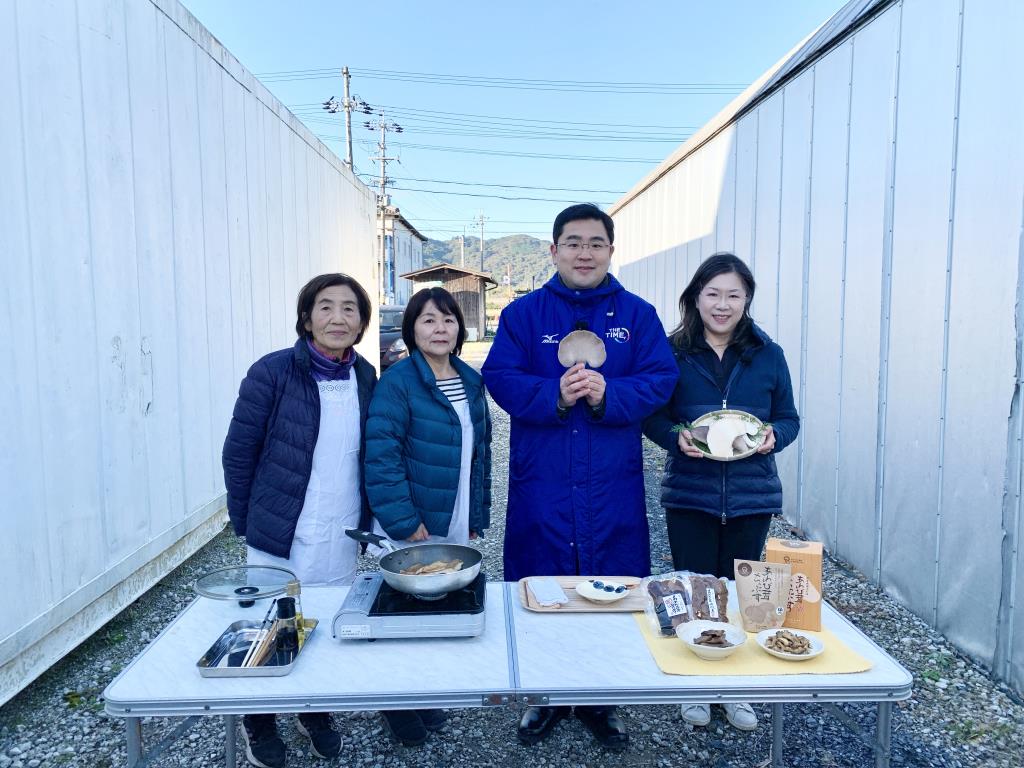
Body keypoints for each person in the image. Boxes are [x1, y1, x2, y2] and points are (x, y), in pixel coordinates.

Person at [482, 203, 678, 751]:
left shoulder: (636, 316)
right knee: (541, 583)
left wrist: (610, 393)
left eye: (595, 242)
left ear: (611, 251)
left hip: (610, 481)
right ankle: (543, 696)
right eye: (573, 242)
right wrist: (554, 394)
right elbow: (499, 374)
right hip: (542, 479)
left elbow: (661, 377)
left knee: (610, 585)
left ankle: (600, 698)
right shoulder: (524, 315)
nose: (584, 252)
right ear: (553, 250)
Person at [222, 273, 377, 768]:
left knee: (329, 616)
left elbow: (372, 454)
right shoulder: (272, 372)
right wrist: (247, 519)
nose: (338, 317)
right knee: (270, 620)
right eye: (325, 307)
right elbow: (239, 452)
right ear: (306, 317)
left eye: (349, 309)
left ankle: (316, 708)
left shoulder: (366, 375)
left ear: (361, 321)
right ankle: (260, 719)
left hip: (340, 522)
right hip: (282, 524)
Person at [642, 253, 800, 733]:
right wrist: (676, 437)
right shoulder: (672, 352)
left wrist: (775, 434)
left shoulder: (767, 354)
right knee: (694, 590)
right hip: (690, 492)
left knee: (743, 594)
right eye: (713, 293)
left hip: (752, 495)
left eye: (733, 294)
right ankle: (695, 684)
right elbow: (652, 416)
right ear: (696, 297)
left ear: (747, 298)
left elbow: (790, 418)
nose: (722, 304)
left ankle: (735, 689)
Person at [364, 286, 491, 746]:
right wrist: (402, 521)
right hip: (413, 516)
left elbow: (481, 453)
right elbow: (382, 456)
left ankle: (420, 690)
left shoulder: (470, 379)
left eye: (449, 320)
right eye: (429, 320)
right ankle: (396, 704)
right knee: (402, 610)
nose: (440, 329)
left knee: (436, 605)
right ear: (412, 330)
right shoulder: (398, 382)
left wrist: (474, 512)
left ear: (460, 328)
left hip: (452, 510)